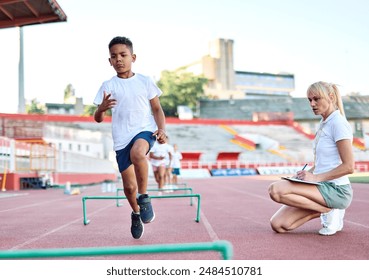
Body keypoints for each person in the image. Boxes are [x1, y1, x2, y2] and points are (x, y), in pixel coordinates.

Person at [93, 36, 166, 239]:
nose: (119, 59)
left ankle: (144, 197)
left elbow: (157, 108)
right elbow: (98, 118)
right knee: (128, 187)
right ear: (109, 61)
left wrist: (162, 129)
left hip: (144, 130)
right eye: (114, 56)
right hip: (121, 139)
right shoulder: (108, 85)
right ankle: (135, 212)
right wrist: (101, 109)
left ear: (133, 57)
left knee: (138, 153)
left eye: (123, 55)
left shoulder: (145, 81)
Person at [268, 81, 354, 236]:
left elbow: (349, 166)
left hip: (337, 190)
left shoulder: (338, 123)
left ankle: (330, 208)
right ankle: (326, 209)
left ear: (331, 97)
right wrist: (305, 174)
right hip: (321, 187)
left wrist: (315, 177)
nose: (312, 104)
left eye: (316, 99)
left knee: (276, 190)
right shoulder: (324, 123)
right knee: (278, 225)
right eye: (309, 100)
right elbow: (323, 164)